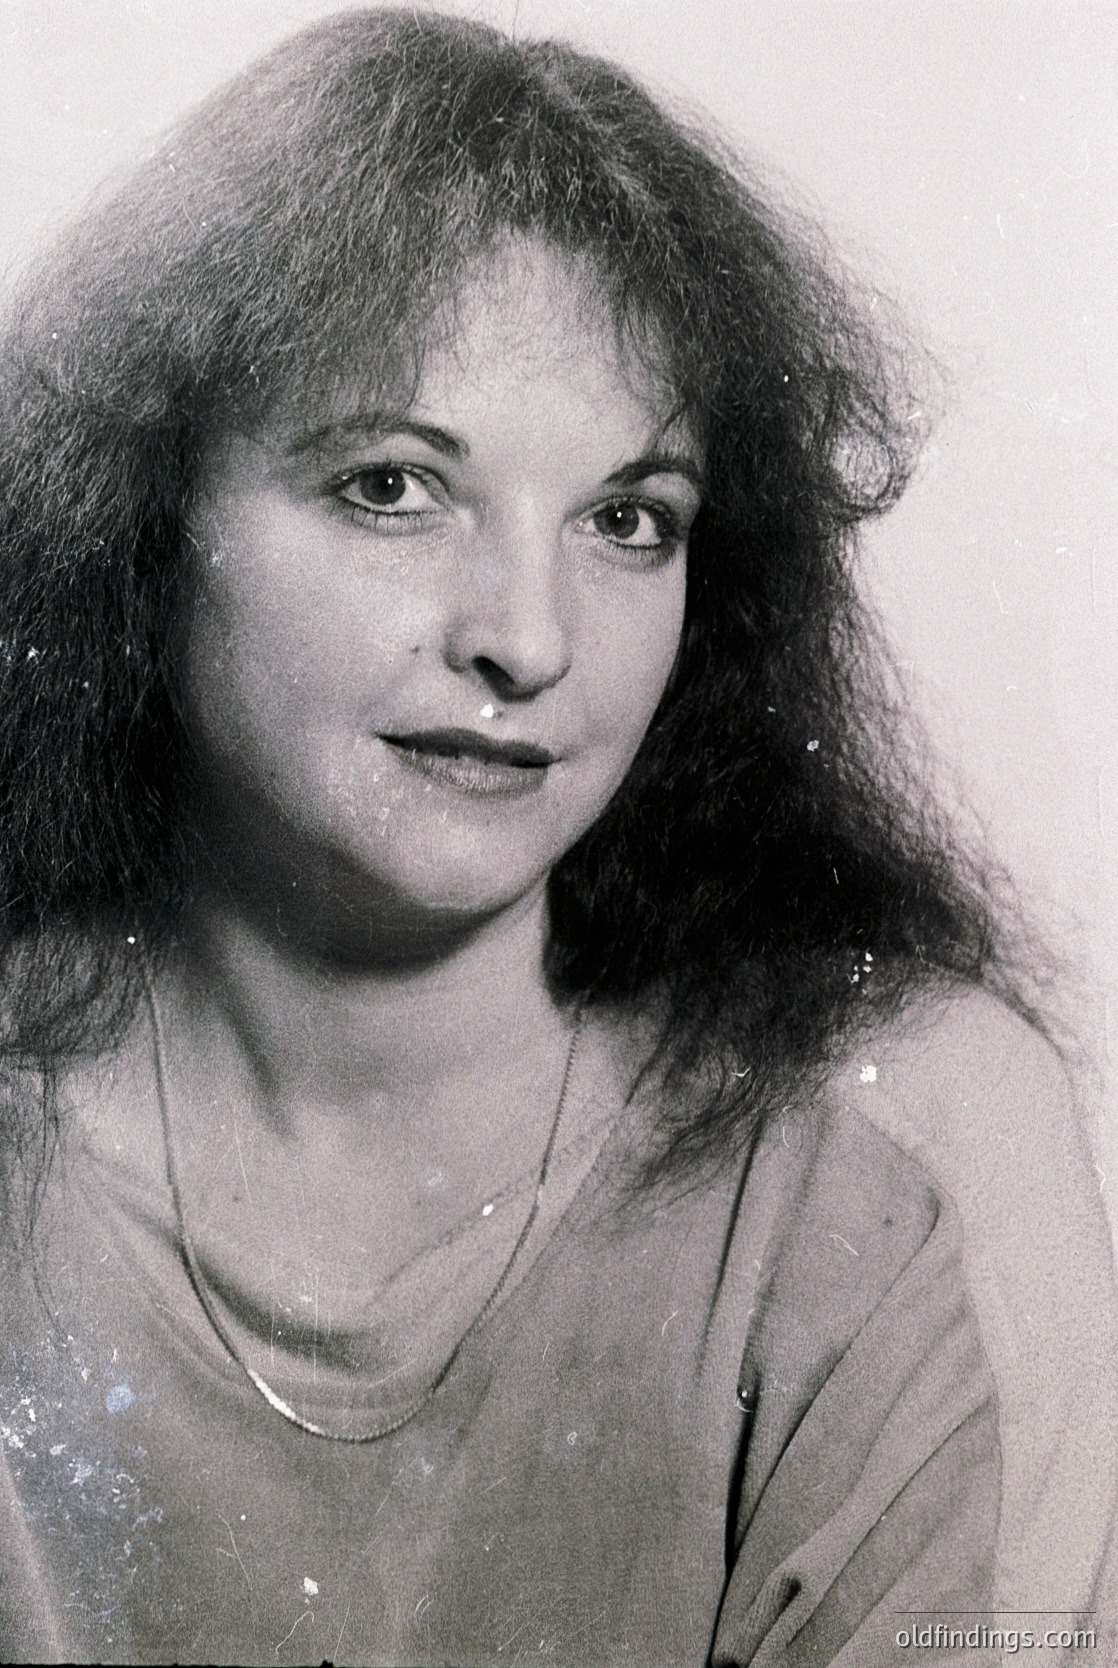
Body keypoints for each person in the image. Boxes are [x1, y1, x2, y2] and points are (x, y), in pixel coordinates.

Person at [0, 8, 1112, 1664]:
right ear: (141, 513)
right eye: (394, 485)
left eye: (626, 519)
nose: (528, 638)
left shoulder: (902, 1152)